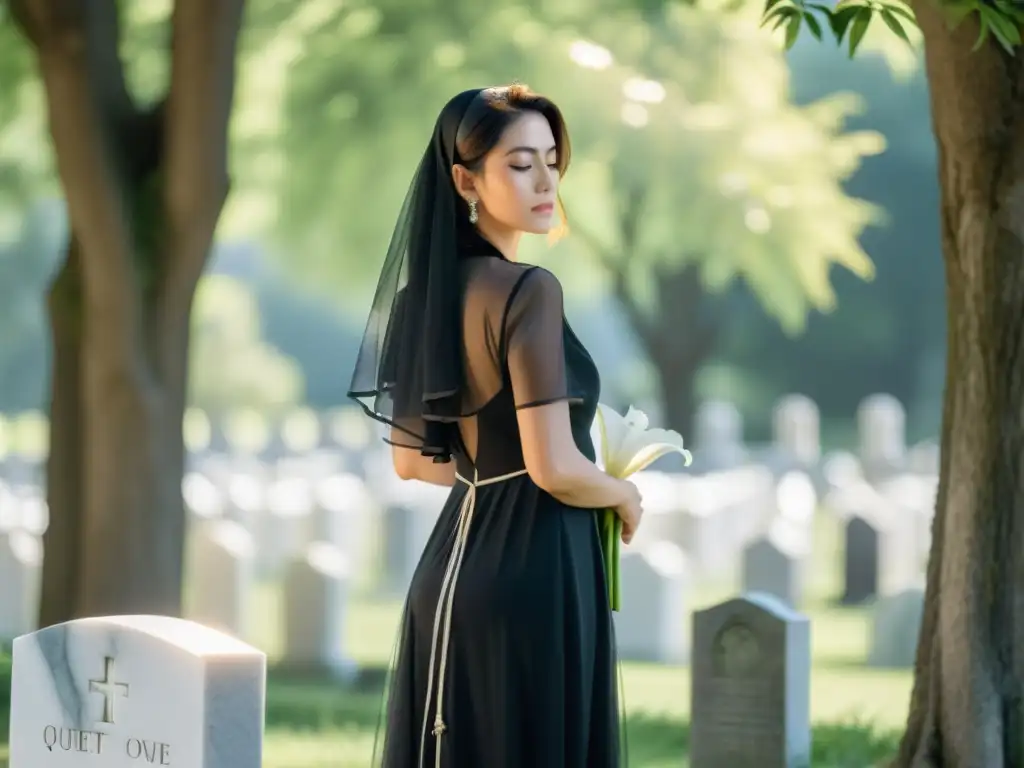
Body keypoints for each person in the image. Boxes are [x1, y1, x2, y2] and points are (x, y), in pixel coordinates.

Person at [348, 83, 643, 768]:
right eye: (519, 163)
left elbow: (414, 463)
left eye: (552, 158)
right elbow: (553, 468)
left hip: (450, 572)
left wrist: (495, 477)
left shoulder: (419, 298)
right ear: (464, 179)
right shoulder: (529, 290)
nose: (546, 181)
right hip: (536, 573)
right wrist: (621, 493)